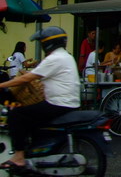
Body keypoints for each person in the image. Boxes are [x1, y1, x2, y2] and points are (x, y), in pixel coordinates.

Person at [0, 26, 80, 171]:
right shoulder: (66, 56)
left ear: (48, 43)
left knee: (16, 115)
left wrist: (2, 85)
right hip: (68, 102)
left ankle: (19, 157)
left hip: (58, 104)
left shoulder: (54, 58)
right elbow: (38, 76)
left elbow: (26, 78)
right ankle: (35, 150)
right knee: (31, 115)